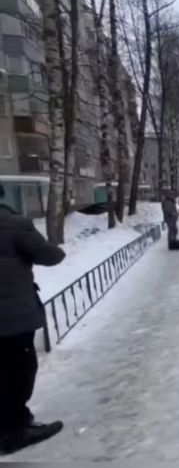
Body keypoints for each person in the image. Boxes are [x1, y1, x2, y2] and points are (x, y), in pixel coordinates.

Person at [0, 185, 66, 455]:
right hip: (11, 316)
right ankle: (14, 430)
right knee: (18, 370)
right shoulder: (13, 224)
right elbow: (53, 255)